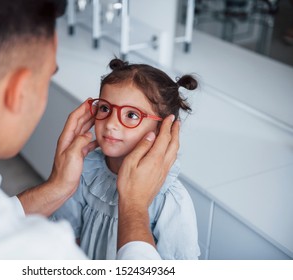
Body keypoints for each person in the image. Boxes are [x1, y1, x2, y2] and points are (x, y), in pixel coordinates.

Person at [0, 0, 180, 259]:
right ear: (19, 91)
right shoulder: (36, 252)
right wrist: (134, 207)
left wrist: (57, 187)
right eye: (48, 76)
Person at [51, 58, 200, 260]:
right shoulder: (84, 170)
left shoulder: (170, 199)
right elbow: (68, 237)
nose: (111, 123)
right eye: (105, 108)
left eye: (131, 114)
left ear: (163, 129)